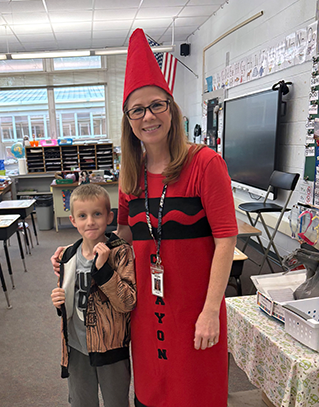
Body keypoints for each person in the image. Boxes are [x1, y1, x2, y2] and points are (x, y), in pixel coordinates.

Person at [52, 28, 238, 407]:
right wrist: (78, 252)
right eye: (137, 110)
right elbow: (119, 236)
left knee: (195, 392)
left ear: (171, 108)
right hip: (146, 310)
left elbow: (225, 241)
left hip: (193, 307)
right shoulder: (131, 174)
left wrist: (210, 312)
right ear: (128, 119)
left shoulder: (206, 164)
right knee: (152, 394)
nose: (148, 116)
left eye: (156, 105)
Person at [51, 183, 136, 407]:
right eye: (82, 216)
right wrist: (59, 302)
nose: (90, 221)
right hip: (77, 347)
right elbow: (71, 298)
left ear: (109, 217)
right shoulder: (68, 255)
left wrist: (103, 270)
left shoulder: (121, 252)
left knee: (116, 401)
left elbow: (128, 302)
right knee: (81, 401)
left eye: (97, 214)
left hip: (111, 348)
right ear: (73, 221)